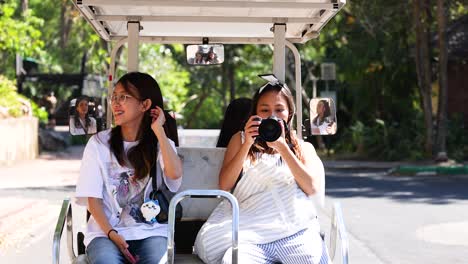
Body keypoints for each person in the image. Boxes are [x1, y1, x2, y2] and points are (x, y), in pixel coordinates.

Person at [194, 79, 329, 263]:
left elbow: (312, 189)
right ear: (255, 114)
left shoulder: (302, 147)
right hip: (251, 233)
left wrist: (283, 147)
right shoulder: (240, 140)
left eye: (279, 110)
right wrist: (247, 143)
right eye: (265, 110)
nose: (272, 116)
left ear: (289, 114)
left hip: (294, 231)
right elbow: (224, 185)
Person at [75, 72, 183, 264]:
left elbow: (174, 176)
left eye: (123, 97)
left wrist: (159, 131)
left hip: (152, 232)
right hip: (104, 233)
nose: (115, 103)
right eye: (113, 97)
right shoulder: (99, 144)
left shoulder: (161, 143)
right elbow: (93, 199)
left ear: (145, 105)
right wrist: (111, 233)